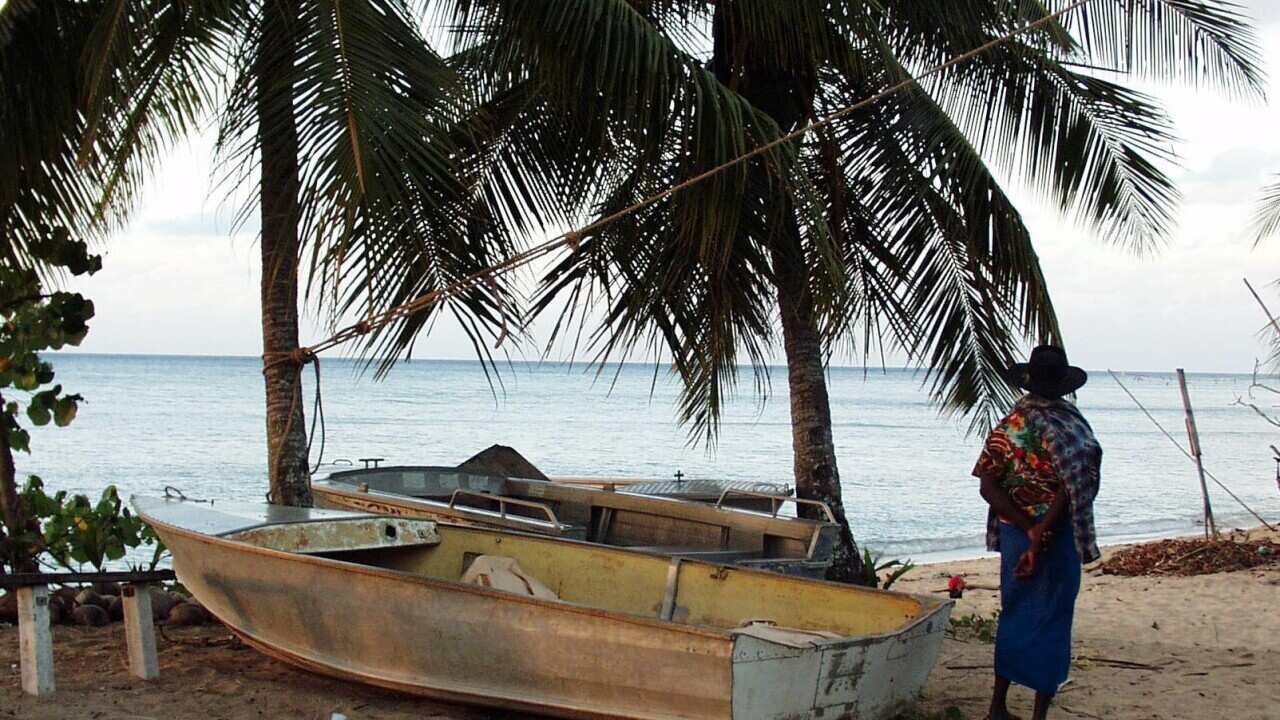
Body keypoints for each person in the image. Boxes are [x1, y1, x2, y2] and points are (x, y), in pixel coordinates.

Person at [973, 345, 1102, 720]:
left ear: (1029, 381)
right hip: (1056, 534)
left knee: (1016, 612)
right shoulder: (1070, 421)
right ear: (1063, 384)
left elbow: (988, 485)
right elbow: (1074, 482)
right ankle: (1036, 715)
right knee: (1053, 618)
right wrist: (1041, 530)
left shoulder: (1011, 424)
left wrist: (1030, 531)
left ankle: (997, 706)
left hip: (1020, 533)